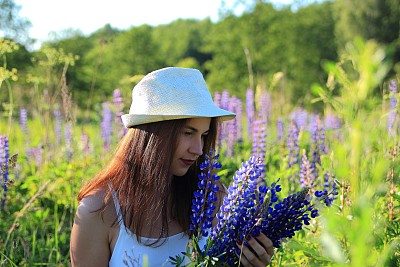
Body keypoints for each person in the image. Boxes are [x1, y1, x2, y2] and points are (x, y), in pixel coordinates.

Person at [70, 67, 275, 267]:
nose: (199, 149)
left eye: (203, 135)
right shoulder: (98, 210)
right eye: (188, 133)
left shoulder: (211, 196)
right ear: (154, 133)